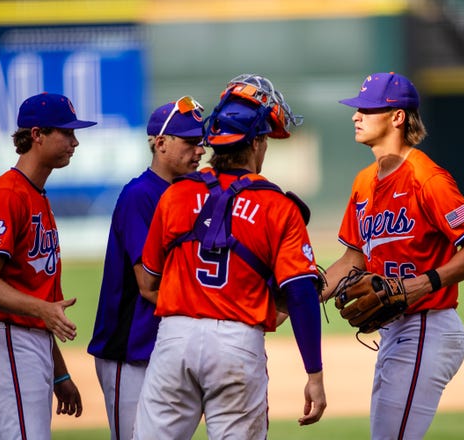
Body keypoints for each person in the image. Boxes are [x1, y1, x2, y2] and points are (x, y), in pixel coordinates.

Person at [133, 74, 326, 439]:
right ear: (255, 143)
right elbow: (300, 294)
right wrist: (314, 373)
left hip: (174, 338)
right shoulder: (278, 207)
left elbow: (147, 280)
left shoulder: (175, 195)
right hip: (237, 344)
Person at [321, 72, 464, 439]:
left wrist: (423, 283)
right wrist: (302, 293)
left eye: (368, 109)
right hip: (393, 330)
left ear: (397, 117)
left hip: (428, 326)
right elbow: (353, 259)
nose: (356, 115)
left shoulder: (426, 178)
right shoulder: (364, 181)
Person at [87, 96, 205, 440]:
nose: (199, 150)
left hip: (165, 348)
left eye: (201, 142)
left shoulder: (190, 194)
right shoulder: (140, 195)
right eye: (190, 141)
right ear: (161, 142)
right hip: (130, 351)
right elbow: (147, 283)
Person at [0, 92, 96, 438]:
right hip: (7, 337)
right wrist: (43, 310)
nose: (74, 141)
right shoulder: (6, 195)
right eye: (66, 132)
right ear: (37, 134)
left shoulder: (37, 198)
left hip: (29, 342)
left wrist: (60, 374)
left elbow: (41, 302)